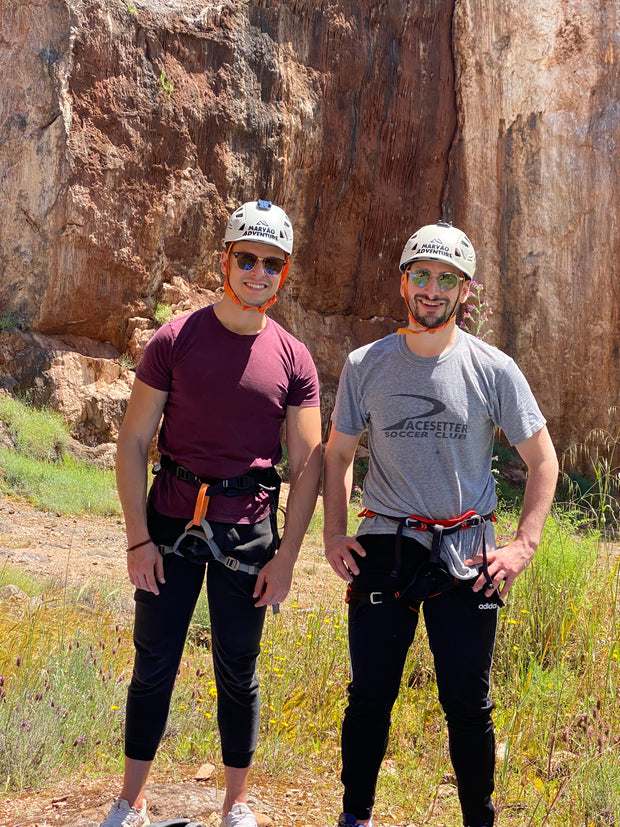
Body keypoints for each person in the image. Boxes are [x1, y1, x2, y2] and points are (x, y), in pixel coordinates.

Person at [323, 221, 559, 827]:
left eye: (446, 279)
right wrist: (332, 531)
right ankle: (356, 816)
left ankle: (479, 819)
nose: (432, 289)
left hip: (468, 554)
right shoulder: (365, 364)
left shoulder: (493, 368)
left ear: (465, 290)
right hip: (385, 546)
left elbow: (543, 461)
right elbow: (339, 455)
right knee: (370, 696)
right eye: (421, 276)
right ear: (403, 283)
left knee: (468, 703)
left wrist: (522, 546)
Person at [101, 200, 322, 827]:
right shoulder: (177, 338)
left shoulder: (294, 358)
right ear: (225, 260)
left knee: (238, 668)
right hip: (170, 522)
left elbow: (307, 467)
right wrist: (138, 539)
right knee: (153, 663)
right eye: (247, 259)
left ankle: (236, 805)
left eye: (271, 264)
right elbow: (135, 442)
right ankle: (131, 801)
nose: (258, 272)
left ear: (284, 273)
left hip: (248, 528)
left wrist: (287, 560)